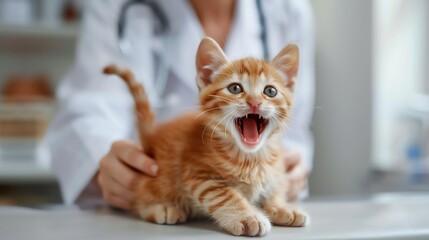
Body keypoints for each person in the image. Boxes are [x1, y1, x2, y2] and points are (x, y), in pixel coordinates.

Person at [47, 0, 315, 210]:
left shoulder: (287, 9)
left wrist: (290, 173)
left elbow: (294, 131)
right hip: (144, 209)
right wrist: (104, 164)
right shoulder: (116, 5)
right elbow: (87, 113)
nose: (255, 101)